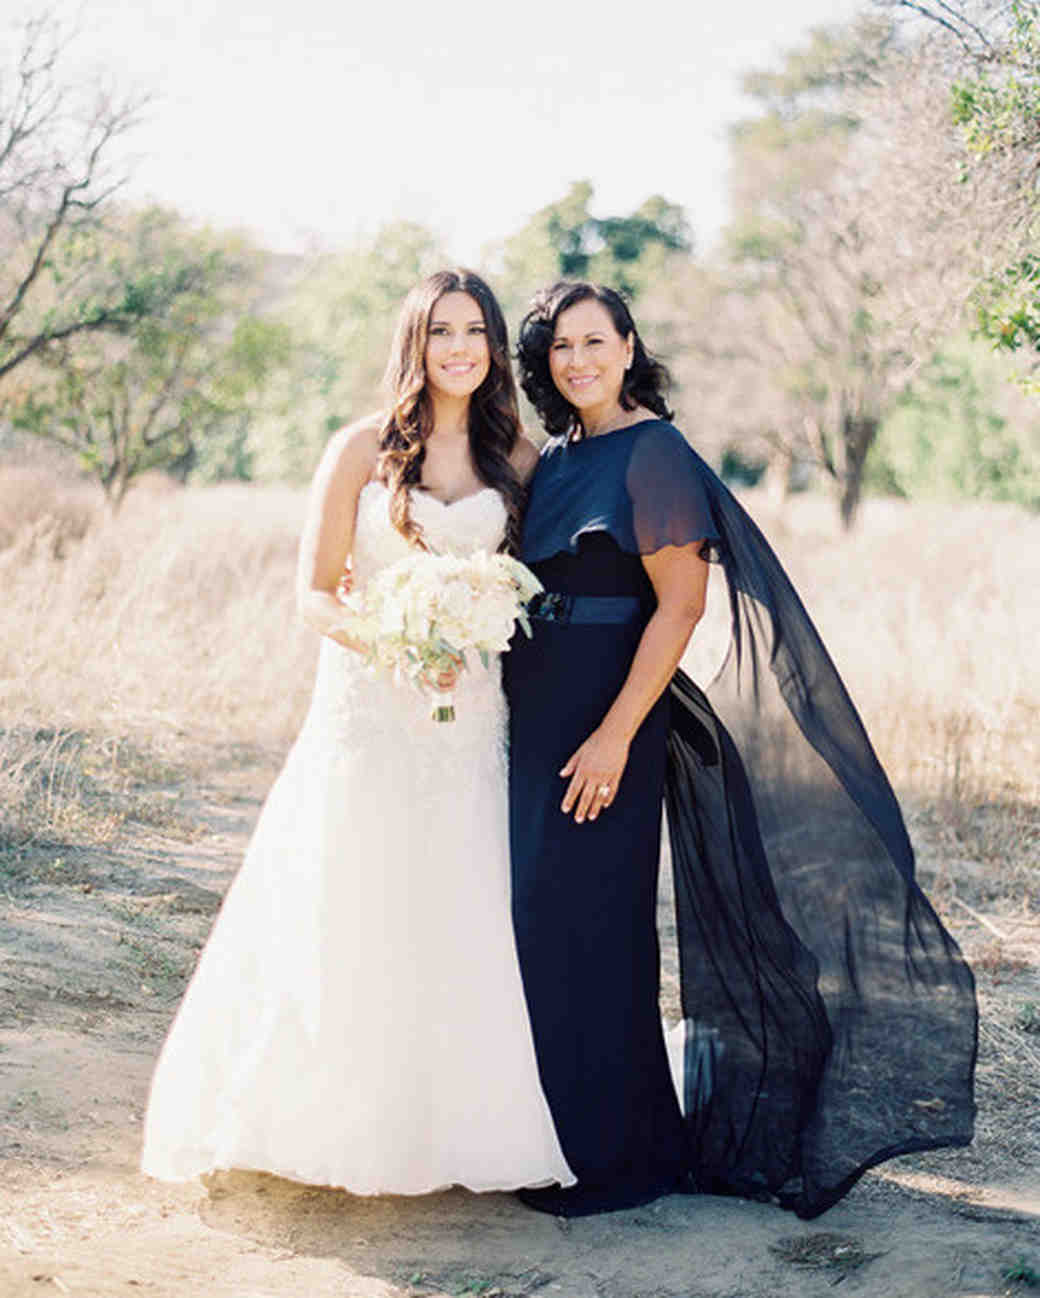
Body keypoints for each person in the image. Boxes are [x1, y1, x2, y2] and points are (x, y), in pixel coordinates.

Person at [505, 281, 977, 1220]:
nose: (579, 361)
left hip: (607, 726)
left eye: (596, 342)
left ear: (631, 346)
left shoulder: (656, 454)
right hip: (539, 718)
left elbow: (679, 608)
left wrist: (612, 735)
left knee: (596, 936)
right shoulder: (558, 454)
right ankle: (562, 1136)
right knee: (541, 934)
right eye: (560, 347)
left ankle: (620, 1161)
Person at [141, 270, 574, 1196]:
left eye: (476, 332)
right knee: (348, 892)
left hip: (468, 720)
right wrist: (397, 639)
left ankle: (454, 1130)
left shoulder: (522, 461)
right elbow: (313, 592)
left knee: (455, 900)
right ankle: (317, 1122)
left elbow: (538, 587)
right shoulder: (359, 450)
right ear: (414, 344)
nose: (460, 348)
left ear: (495, 347)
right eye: (441, 332)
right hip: (368, 710)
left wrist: (478, 629)